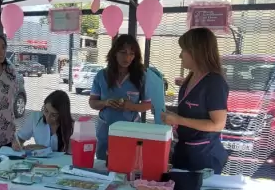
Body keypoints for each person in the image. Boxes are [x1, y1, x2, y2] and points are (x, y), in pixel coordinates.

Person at [161, 27, 230, 174]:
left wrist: (178, 119)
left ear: (196, 52)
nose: (180, 56)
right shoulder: (191, 77)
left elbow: (218, 124)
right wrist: (167, 112)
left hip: (203, 156)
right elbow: (190, 111)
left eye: (183, 50)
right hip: (183, 151)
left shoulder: (214, 82)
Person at [88, 34, 153, 160]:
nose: (127, 57)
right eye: (123, 52)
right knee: (104, 164)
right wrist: (106, 103)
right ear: (114, 53)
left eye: (131, 53)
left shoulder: (141, 77)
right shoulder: (102, 76)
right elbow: (92, 103)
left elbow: (148, 105)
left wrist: (131, 106)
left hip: (131, 131)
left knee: (129, 164)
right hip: (106, 129)